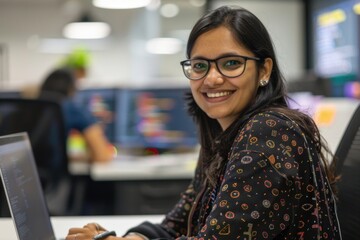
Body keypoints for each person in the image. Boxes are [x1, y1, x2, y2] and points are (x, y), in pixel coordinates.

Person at [65, 6, 341, 239]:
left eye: (231, 63)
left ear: (264, 69)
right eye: (200, 66)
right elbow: (179, 222)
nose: (211, 79)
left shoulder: (269, 131)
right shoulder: (221, 134)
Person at [39, 68, 113, 163]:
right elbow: (102, 155)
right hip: (56, 176)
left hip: (30, 174)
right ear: (71, 90)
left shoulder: (31, 107)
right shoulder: (70, 108)